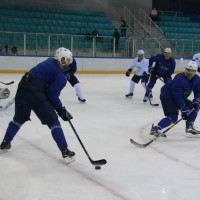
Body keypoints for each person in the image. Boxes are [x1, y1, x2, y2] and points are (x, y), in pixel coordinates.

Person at [0, 47, 76, 163]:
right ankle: (65, 151)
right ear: (62, 59)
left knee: (18, 119)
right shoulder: (61, 77)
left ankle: (5, 142)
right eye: (68, 60)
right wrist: (61, 110)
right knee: (53, 123)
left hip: (22, 87)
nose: (69, 63)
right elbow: (52, 95)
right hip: (35, 94)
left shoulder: (49, 60)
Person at [150, 61, 200, 137]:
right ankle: (156, 129)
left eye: (192, 71)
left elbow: (198, 91)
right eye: (188, 70)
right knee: (173, 116)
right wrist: (183, 108)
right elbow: (177, 95)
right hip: (167, 96)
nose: (190, 72)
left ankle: (189, 126)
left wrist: (197, 99)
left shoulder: (197, 79)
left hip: (179, 97)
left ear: (195, 71)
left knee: (194, 106)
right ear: (185, 70)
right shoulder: (180, 79)